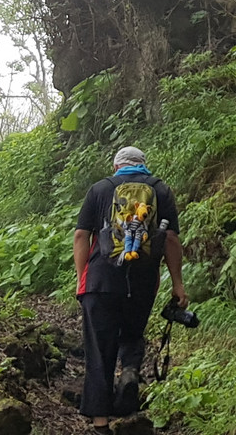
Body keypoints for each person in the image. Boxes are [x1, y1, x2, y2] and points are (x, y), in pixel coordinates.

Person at [74, 146, 186, 428]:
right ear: (143, 166)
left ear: (116, 167)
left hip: (100, 281)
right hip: (143, 281)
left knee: (99, 350)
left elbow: (81, 235)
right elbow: (171, 239)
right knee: (132, 332)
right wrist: (178, 284)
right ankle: (131, 371)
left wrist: (81, 278)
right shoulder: (160, 190)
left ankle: (100, 424)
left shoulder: (100, 189)